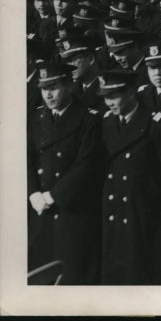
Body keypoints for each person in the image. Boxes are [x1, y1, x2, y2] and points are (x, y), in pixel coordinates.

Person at [27, 61, 103, 284]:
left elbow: (86, 165)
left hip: (71, 211)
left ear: (70, 85)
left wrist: (52, 196)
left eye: (54, 87)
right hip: (40, 210)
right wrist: (32, 193)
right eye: (44, 89)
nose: (48, 95)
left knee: (71, 279)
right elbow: (27, 159)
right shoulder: (35, 118)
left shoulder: (88, 119)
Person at [98, 69, 161, 284]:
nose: (109, 102)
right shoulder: (107, 122)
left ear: (131, 93)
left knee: (137, 271)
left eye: (114, 96)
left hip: (141, 209)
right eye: (106, 97)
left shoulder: (155, 123)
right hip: (113, 205)